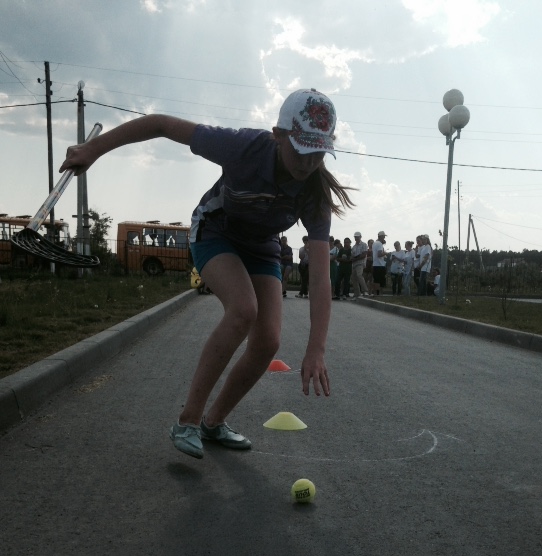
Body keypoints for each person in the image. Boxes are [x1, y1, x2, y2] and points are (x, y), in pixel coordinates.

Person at [60, 88, 355, 459]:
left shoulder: (315, 193)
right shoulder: (243, 147)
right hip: (215, 231)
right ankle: (188, 420)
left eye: (318, 153)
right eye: (301, 150)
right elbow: (161, 124)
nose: (308, 163)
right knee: (243, 310)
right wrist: (93, 149)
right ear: (278, 135)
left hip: (260, 247)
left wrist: (316, 349)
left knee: (268, 341)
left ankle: (213, 423)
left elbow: (320, 277)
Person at [350, 231, 367, 298]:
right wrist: (353, 258)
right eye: (355, 237)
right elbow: (352, 255)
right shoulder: (353, 247)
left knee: (359, 275)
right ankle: (357, 293)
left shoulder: (364, 244)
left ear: (360, 237)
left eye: (357, 237)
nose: (356, 238)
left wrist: (356, 258)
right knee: (354, 278)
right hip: (354, 264)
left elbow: (364, 255)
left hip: (360, 263)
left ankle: (365, 291)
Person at [372, 230, 387, 295]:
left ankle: (376, 293)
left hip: (375, 264)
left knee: (376, 280)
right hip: (380, 265)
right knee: (381, 280)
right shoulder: (380, 244)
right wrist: (385, 253)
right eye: (383, 236)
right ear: (381, 236)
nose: (384, 238)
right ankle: (380, 293)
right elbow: (379, 254)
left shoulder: (374, 243)